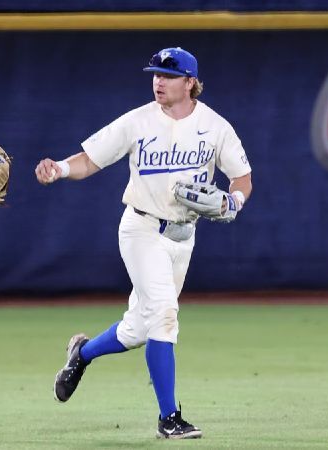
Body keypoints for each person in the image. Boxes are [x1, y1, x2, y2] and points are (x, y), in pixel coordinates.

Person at [35, 47, 252, 439]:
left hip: (183, 238)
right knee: (165, 314)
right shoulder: (138, 121)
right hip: (141, 229)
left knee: (137, 329)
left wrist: (233, 201)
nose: (158, 81)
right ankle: (169, 418)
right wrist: (60, 169)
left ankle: (80, 354)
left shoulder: (215, 126)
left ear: (190, 83)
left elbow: (242, 178)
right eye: (154, 74)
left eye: (168, 76)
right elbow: (90, 159)